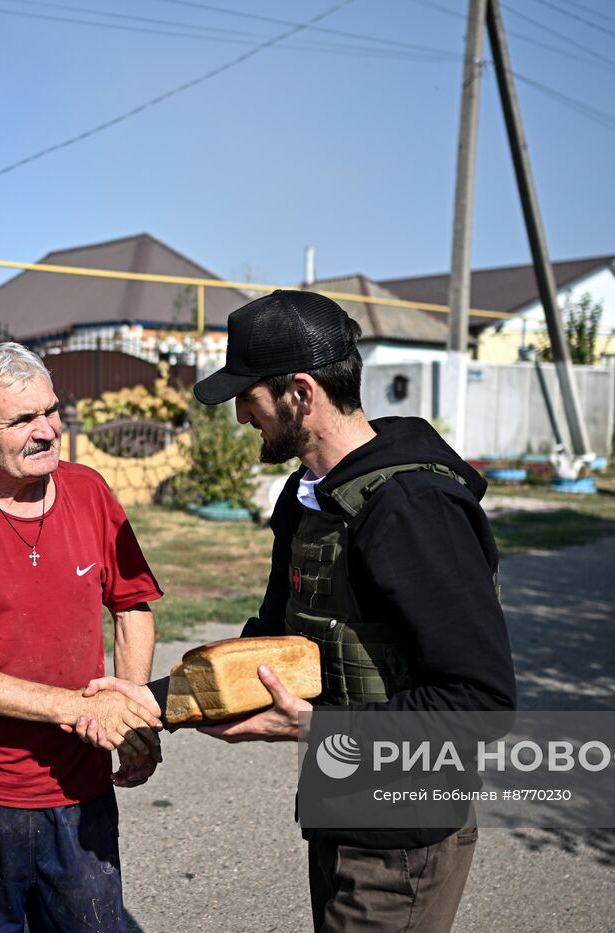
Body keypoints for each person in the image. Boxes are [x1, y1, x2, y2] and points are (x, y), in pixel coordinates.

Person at [191, 290, 516, 931]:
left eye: (246, 396)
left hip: (403, 834)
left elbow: (479, 703)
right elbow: (273, 642)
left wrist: (314, 728)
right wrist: (155, 702)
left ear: (299, 392)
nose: (238, 417)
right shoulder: (312, 495)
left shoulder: (412, 509)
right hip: (342, 805)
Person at [0, 342, 164, 932]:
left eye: (51, 411)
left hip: (77, 788)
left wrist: (127, 708)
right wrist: (73, 706)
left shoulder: (90, 492)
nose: (47, 431)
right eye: (21, 420)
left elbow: (133, 608)